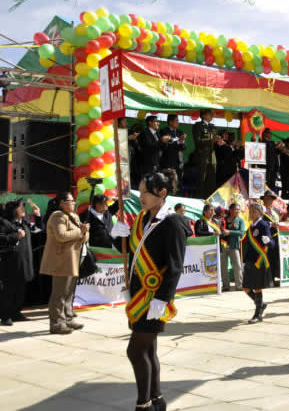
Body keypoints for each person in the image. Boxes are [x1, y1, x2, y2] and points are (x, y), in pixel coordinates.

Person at [109, 170, 192, 411]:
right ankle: (157, 400)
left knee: (135, 351)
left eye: (146, 192)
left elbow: (175, 266)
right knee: (148, 350)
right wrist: (117, 236)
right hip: (138, 296)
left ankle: (142, 404)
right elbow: (131, 251)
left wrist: (163, 299)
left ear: (162, 193)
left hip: (155, 299)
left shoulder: (173, 223)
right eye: (141, 191)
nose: (141, 196)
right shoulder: (141, 219)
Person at [40, 192, 89, 334]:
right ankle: (56, 322)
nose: (73, 203)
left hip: (72, 259)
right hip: (61, 260)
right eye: (70, 201)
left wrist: (85, 232)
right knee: (59, 293)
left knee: (69, 292)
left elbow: (84, 237)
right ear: (61, 202)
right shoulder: (57, 216)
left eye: (74, 201)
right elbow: (61, 236)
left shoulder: (74, 216)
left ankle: (68, 318)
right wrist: (81, 232)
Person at [0, 199, 42, 326]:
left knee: (20, 289)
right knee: (8, 290)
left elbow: (38, 230)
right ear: (13, 210)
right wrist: (15, 236)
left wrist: (38, 215)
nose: (23, 209)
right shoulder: (4, 223)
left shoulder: (24, 223)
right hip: (10, 263)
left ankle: (16, 313)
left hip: (24, 261)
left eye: (24, 206)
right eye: (20, 207)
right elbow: (1, 238)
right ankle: (5, 315)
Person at [244, 202, 275, 324]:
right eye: (250, 211)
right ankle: (261, 304)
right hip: (250, 260)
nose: (251, 213)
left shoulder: (263, 225)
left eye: (254, 211)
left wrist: (268, 241)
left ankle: (258, 315)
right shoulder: (251, 226)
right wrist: (244, 260)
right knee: (245, 287)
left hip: (259, 261)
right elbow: (249, 245)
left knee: (257, 288)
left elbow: (272, 243)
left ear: (260, 212)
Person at [192, 109, 217, 198]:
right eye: (209, 114)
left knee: (211, 179)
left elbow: (214, 142)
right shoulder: (198, 126)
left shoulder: (212, 127)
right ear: (203, 116)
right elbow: (198, 141)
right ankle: (200, 197)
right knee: (202, 179)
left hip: (212, 157)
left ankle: (210, 198)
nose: (211, 116)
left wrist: (219, 141)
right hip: (202, 156)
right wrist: (211, 140)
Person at [221, 203, 246, 292]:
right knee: (223, 266)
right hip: (223, 245)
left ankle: (239, 285)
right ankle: (225, 285)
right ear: (231, 210)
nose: (238, 211)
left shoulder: (240, 220)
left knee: (237, 265)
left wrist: (230, 232)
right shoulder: (223, 219)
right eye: (236, 209)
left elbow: (241, 232)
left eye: (239, 209)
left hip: (234, 245)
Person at [159, 114, 186, 185]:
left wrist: (182, 141)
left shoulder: (180, 132)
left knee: (177, 181)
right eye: (176, 121)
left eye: (178, 121)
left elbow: (184, 147)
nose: (178, 122)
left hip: (179, 161)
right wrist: (178, 141)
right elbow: (165, 146)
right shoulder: (164, 131)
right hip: (167, 160)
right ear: (170, 122)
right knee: (167, 181)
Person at [261, 191, 281, 287]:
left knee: (275, 258)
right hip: (265, 237)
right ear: (264, 199)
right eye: (267, 198)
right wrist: (270, 224)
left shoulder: (276, 211)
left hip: (276, 237)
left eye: (271, 198)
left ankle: (274, 278)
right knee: (267, 259)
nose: (269, 200)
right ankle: (267, 281)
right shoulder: (260, 210)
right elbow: (258, 223)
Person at [125, 119, 143, 188]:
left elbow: (138, 148)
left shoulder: (140, 136)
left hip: (135, 158)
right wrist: (129, 138)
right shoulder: (126, 132)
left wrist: (135, 139)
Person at [262, 128, 280, 193]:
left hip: (274, 166)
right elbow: (267, 152)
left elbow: (276, 152)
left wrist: (279, 148)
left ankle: (271, 194)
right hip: (267, 166)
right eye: (269, 133)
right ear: (265, 134)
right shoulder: (262, 142)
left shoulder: (272, 142)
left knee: (272, 183)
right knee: (267, 183)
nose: (271, 134)